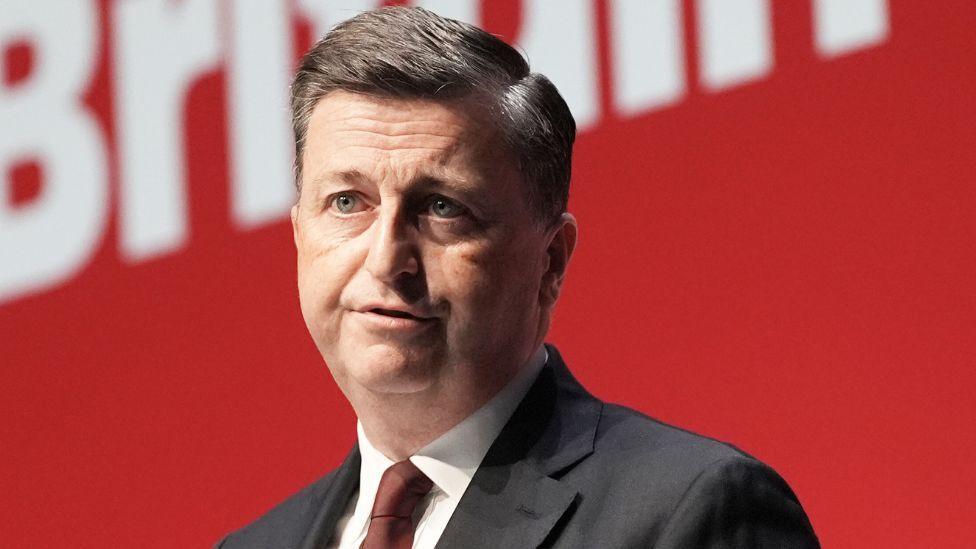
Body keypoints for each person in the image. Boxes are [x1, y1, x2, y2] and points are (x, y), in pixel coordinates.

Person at [218, 7, 819, 548]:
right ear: (299, 234)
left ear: (550, 262)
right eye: (348, 202)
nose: (386, 260)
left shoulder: (691, 511)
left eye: (442, 207)